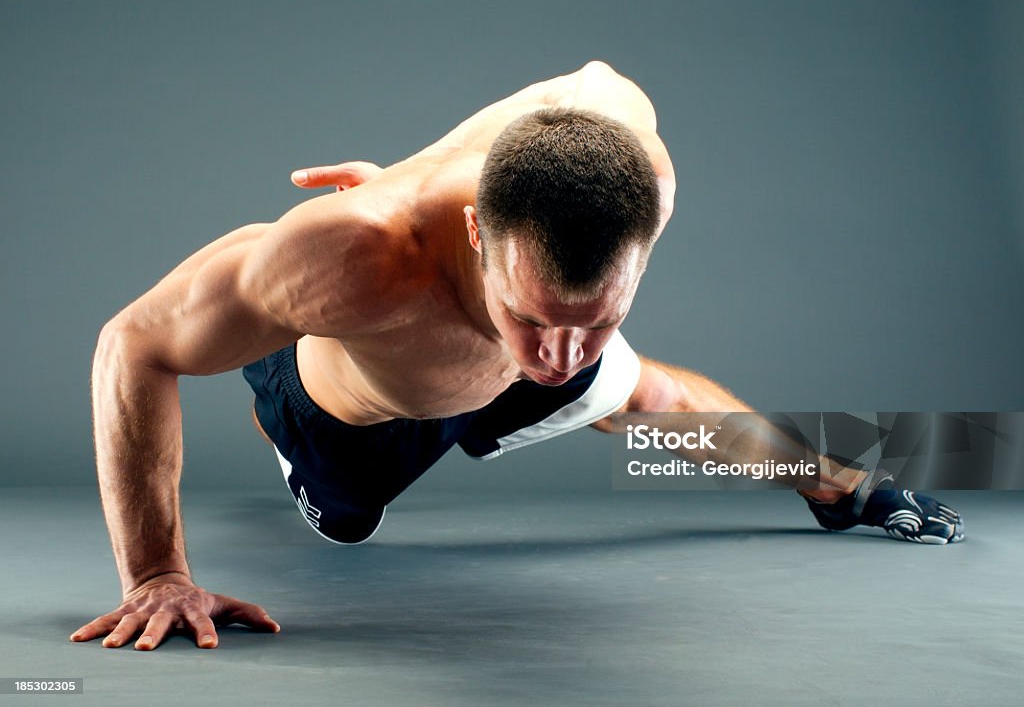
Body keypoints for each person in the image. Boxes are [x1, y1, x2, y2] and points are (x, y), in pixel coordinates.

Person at [70, 61, 963, 652]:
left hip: (475, 356)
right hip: (358, 414)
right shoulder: (354, 259)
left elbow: (599, 76)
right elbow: (132, 344)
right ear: (473, 233)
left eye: (598, 318)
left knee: (654, 403)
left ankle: (845, 488)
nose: (563, 353)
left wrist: (543, 326)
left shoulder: (632, 167)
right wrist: (156, 574)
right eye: (538, 318)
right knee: (344, 520)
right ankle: (286, 394)